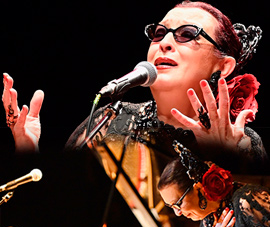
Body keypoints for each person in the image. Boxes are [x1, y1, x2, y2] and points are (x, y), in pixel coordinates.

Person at [2, 1, 267, 172]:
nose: (165, 43)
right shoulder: (111, 120)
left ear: (223, 66)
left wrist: (229, 162)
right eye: (159, 33)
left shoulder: (242, 144)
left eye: (187, 34)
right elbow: (61, 206)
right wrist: (28, 153)